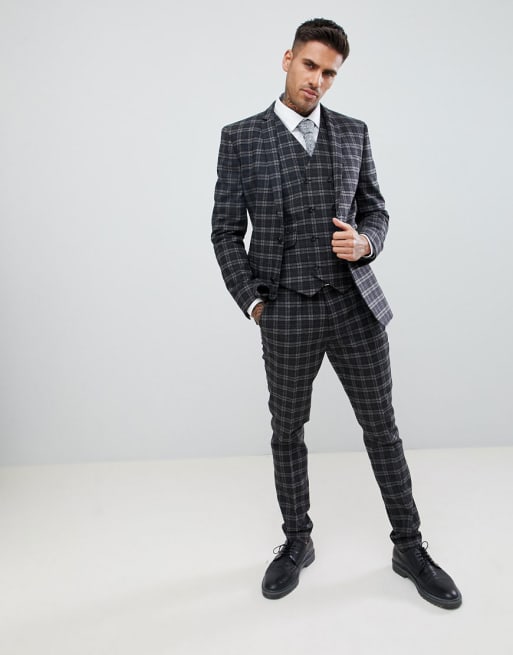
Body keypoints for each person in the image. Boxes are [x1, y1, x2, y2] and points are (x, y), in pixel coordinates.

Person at [211, 18, 461, 610]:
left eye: (329, 73)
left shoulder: (353, 132)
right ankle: (296, 542)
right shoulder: (240, 138)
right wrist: (255, 303)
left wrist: (366, 242)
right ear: (287, 59)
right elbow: (225, 231)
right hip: (285, 311)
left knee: (382, 429)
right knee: (287, 431)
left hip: (354, 306)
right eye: (310, 66)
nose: (317, 81)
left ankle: (410, 547)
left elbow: (377, 210)